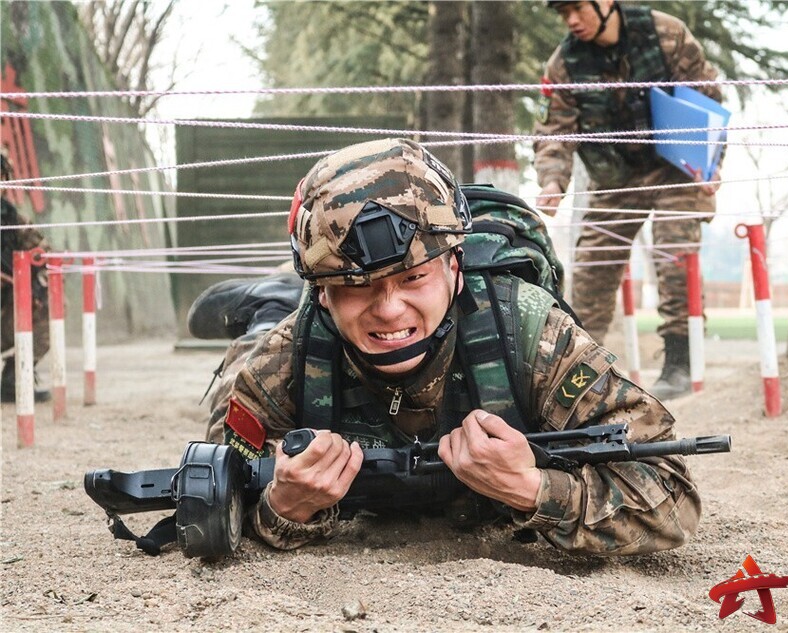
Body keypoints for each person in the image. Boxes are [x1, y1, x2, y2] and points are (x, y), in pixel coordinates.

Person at [198, 138, 700, 555]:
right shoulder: (285, 359)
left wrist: (534, 490)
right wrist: (283, 508)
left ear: (454, 269)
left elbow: (673, 498)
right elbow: (215, 495)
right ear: (323, 295)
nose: (390, 309)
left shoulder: (530, 333)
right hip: (289, 337)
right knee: (251, 350)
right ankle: (265, 308)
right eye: (356, 286)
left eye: (414, 278)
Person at [533, 0, 724, 400]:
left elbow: (707, 97)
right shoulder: (564, 64)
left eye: (577, 8)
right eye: (561, 12)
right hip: (616, 180)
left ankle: (679, 363)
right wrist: (552, 183)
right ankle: (579, 373)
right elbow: (555, 131)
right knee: (590, 272)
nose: (570, 20)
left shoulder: (666, 34)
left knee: (675, 254)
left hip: (677, 169)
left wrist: (710, 162)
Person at [0, 148, 50, 403]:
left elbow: (44, 255)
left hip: (4, 314)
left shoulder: (13, 219)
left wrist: (33, 288)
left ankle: (14, 379)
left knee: (51, 305)